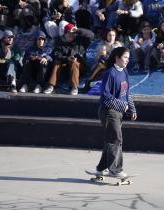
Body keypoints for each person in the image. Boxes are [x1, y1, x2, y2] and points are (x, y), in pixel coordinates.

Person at [94, 46, 137, 178]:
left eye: (128, 58)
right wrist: (122, 105)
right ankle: (115, 169)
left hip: (118, 112)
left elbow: (127, 92)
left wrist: (132, 108)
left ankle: (101, 168)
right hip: (108, 111)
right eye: (125, 57)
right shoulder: (110, 73)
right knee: (116, 139)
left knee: (111, 140)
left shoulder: (124, 71)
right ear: (117, 58)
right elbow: (106, 97)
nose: (127, 60)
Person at [43, 23, 94, 95]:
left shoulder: (80, 41)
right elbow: (57, 55)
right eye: (68, 33)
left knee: (74, 62)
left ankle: (74, 87)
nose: (71, 35)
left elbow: (91, 35)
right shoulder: (60, 43)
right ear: (65, 34)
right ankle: (51, 86)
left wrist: (78, 30)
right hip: (65, 67)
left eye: (73, 33)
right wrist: (68, 59)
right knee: (57, 62)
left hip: (80, 67)